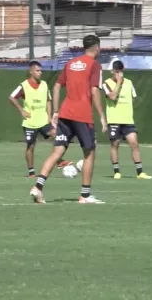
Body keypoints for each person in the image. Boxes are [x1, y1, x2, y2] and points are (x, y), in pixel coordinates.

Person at [29, 35, 107, 204]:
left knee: (57, 152)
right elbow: (94, 91)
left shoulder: (70, 63)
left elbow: (57, 86)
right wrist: (102, 116)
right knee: (89, 153)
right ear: (97, 48)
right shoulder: (95, 65)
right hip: (82, 115)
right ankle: (85, 196)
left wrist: (56, 111)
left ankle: (38, 187)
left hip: (65, 113)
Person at [9, 60, 72, 177]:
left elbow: (48, 100)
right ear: (31, 72)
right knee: (30, 146)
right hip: (30, 122)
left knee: (57, 136)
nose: (40, 73)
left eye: (41, 71)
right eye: (37, 71)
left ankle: (59, 160)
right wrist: (21, 110)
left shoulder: (44, 84)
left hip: (43, 121)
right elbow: (12, 97)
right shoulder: (24, 85)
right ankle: (31, 172)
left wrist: (49, 117)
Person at [102, 60, 152, 180]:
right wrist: (118, 83)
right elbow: (112, 96)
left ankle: (140, 172)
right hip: (114, 120)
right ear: (112, 71)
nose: (119, 74)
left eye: (120, 71)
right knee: (115, 144)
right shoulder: (106, 83)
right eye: (116, 72)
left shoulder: (129, 83)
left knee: (134, 144)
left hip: (127, 120)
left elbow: (133, 97)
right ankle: (116, 171)